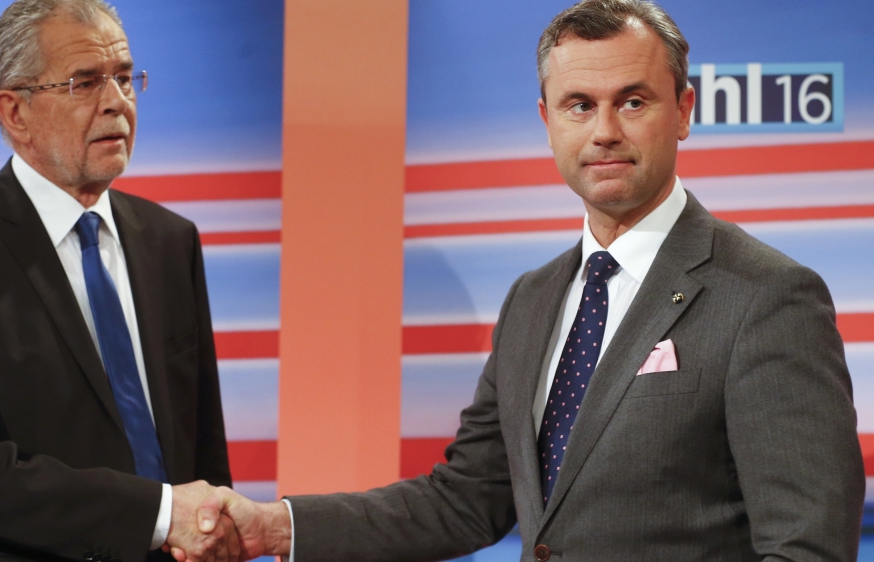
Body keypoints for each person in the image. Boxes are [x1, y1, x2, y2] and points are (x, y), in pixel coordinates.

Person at [190, 0, 866, 560]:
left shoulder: (767, 296)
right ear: (546, 122)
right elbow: (468, 498)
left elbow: (806, 547)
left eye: (631, 102)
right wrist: (276, 526)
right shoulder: (533, 299)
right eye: (578, 105)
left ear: (683, 110)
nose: (603, 131)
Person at [0, 1, 241, 561]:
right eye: (85, 83)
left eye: (125, 78)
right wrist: (154, 515)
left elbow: (203, 452)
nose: (116, 103)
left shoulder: (170, 240)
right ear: (14, 112)